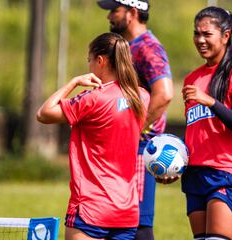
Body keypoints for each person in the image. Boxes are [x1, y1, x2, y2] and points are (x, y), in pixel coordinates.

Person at [36, 32, 149, 240]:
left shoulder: (93, 98)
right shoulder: (142, 97)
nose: (89, 67)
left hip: (91, 208)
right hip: (127, 211)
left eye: (89, 61)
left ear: (101, 61)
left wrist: (74, 82)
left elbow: (43, 113)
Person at [97, 1, 174, 239]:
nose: (109, 16)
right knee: (117, 220)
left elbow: (164, 94)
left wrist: (136, 128)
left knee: (139, 224)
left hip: (140, 147)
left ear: (132, 13)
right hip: (126, 145)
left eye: (114, 10)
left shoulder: (148, 47)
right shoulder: (130, 46)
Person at [181, 6, 232, 240]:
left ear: (225, 36)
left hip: (226, 173)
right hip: (195, 175)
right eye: (197, 33)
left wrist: (211, 102)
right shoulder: (192, 78)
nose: (200, 40)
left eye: (207, 34)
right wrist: (176, 163)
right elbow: (197, 133)